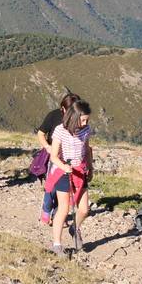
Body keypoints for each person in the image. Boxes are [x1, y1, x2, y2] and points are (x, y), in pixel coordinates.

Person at [47, 100, 92, 255]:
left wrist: (90, 167)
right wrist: (64, 166)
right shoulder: (60, 131)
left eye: (87, 119)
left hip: (81, 170)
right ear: (74, 117)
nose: (86, 122)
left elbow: (87, 149)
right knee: (64, 209)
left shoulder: (86, 129)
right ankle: (57, 245)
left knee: (84, 209)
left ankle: (75, 228)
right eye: (83, 119)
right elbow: (53, 156)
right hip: (63, 171)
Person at [35, 92, 80, 224]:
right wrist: (48, 147)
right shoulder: (54, 116)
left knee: (66, 187)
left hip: (71, 159)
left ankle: (59, 214)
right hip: (54, 156)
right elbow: (41, 133)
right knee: (52, 186)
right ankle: (46, 209)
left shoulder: (78, 119)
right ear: (63, 108)